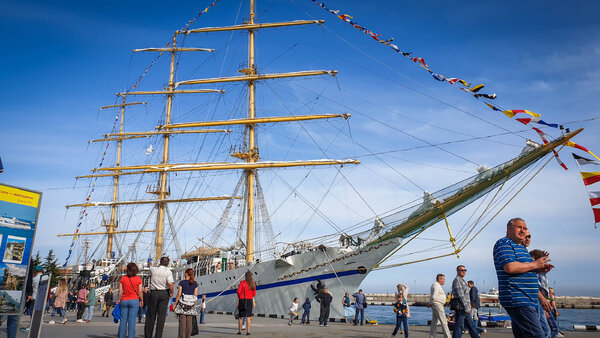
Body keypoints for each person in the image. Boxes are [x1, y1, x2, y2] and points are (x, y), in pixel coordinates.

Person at [493, 217, 553, 338]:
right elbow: (510, 267)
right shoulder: (504, 243)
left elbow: (523, 270)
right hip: (518, 299)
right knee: (538, 335)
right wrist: (535, 264)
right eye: (519, 227)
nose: (523, 230)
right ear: (508, 228)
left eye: (525, 228)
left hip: (528, 299)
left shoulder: (522, 248)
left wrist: (538, 269)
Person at [145, 256, 174, 338]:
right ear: (167, 264)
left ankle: (148, 335)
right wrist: (172, 292)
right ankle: (158, 335)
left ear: (160, 262)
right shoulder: (168, 272)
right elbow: (170, 284)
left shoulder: (153, 269)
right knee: (161, 316)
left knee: (151, 315)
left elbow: (149, 275)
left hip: (154, 293)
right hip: (164, 293)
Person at [451, 265, 480, 338]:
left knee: (470, 325)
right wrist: (467, 308)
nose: (464, 272)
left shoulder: (461, 280)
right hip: (462, 307)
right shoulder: (457, 280)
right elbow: (461, 295)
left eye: (465, 270)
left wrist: (468, 307)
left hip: (465, 307)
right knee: (459, 325)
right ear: (457, 271)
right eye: (462, 270)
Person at [530, 249, 553, 338]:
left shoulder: (541, 274)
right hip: (537, 300)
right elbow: (534, 285)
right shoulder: (531, 270)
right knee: (544, 331)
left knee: (546, 331)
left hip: (540, 301)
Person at [118, 262, 143, 338]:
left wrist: (119, 299)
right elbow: (140, 291)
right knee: (132, 322)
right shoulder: (139, 279)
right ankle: (131, 336)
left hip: (124, 300)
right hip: (134, 300)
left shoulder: (123, 278)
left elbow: (120, 291)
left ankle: (121, 336)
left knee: (123, 321)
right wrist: (141, 300)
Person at [173, 268, 198, 338]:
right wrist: (195, 305)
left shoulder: (182, 282)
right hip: (191, 304)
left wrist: (175, 304)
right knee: (189, 322)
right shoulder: (195, 283)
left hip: (182, 304)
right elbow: (195, 295)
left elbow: (179, 294)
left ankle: (181, 336)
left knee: (182, 323)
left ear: (186, 274)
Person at [427, 274, 451, 338]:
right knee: (444, 322)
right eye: (444, 279)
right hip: (438, 304)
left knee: (434, 322)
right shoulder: (437, 286)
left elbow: (433, 296)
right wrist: (430, 303)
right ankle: (448, 336)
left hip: (435, 304)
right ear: (440, 279)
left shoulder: (436, 285)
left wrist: (430, 303)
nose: (444, 281)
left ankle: (432, 336)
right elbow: (434, 296)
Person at [237, 270, 256, 335]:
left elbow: (238, 292)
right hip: (249, 300)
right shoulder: (252, 284)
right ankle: (248, 332)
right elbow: (254, 294)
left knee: (241, 317)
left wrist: (240, 297)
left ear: (245, 277)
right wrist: (250, 296)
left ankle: (239, 331)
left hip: (242, 300)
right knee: (248, 317)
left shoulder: (242, 283)